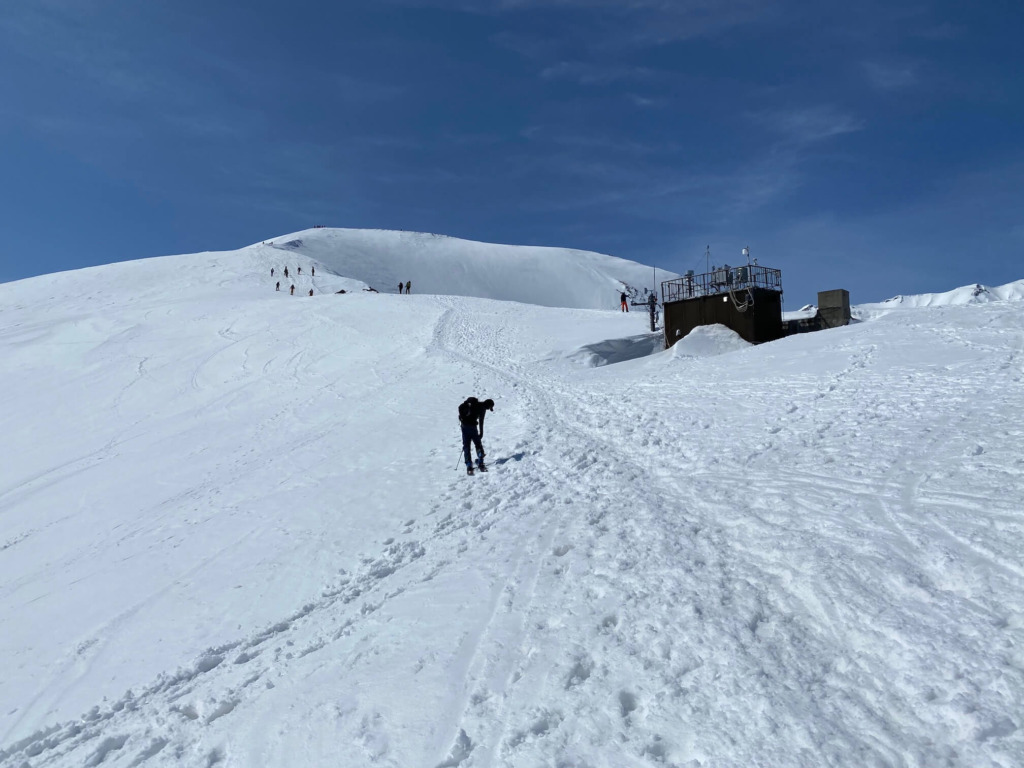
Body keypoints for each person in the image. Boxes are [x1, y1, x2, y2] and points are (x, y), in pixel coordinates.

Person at [458, 397, 494, 475]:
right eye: (490, 407)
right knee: (478, 444)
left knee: (466, 445)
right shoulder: (482, 408)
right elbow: (481, 422)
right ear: (488, 406)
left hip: (464, 426)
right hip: (473, 427)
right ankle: (480, 460)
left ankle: (468, 464)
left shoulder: (474, 404)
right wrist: (481, 433)